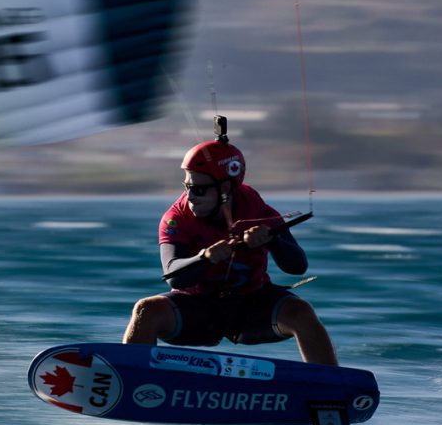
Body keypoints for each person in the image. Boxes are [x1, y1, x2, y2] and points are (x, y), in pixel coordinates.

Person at [122, 120, 338, 365]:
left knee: (302, 313)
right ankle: (131, 374)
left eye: (199, 189)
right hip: (197, 308)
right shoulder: (176, 218)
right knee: (145, 310)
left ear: (225, 188)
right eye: (187, 187)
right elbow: (173, 275)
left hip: (250, 306)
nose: (191, 197)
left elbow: (297, 266)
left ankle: (328, 387)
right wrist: (205, 257)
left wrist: (273, 238)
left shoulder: (257, 208)